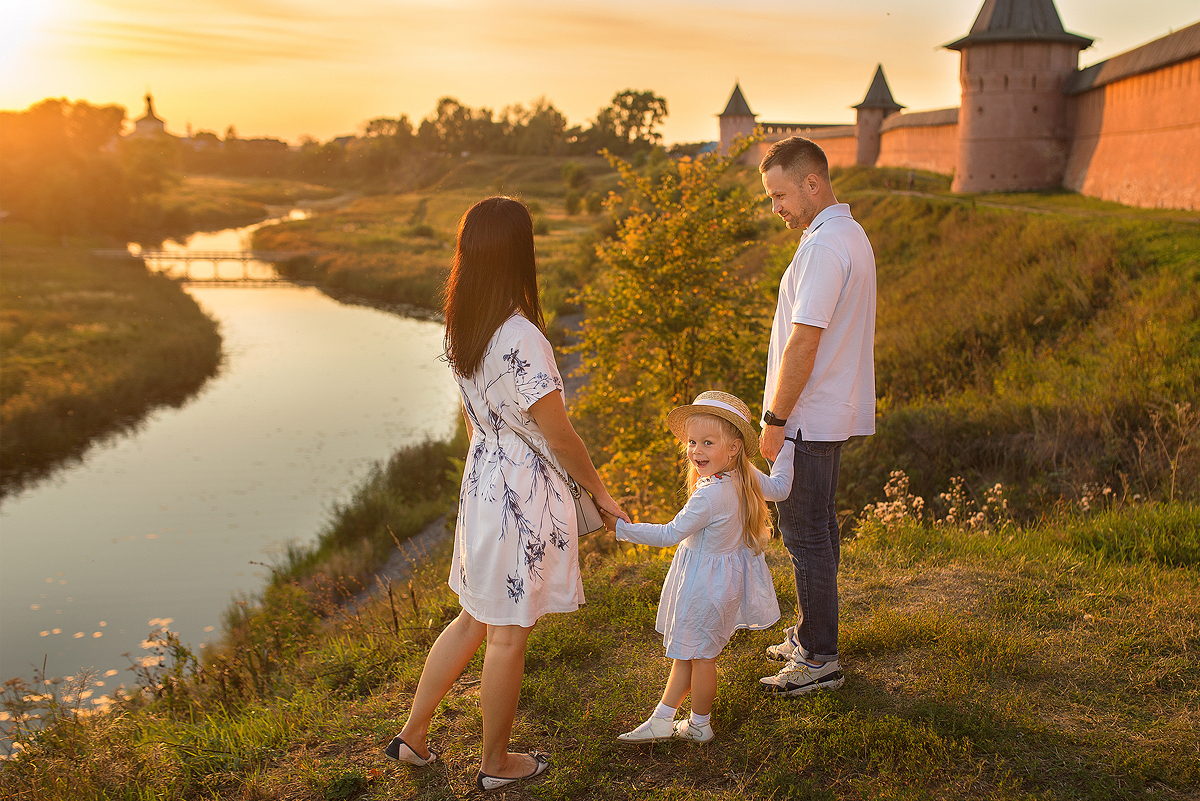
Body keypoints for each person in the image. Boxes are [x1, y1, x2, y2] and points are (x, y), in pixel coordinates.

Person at [383, 197, 628, 792]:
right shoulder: (519, 335)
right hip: (519, 492)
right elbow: (560, 436)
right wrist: (601, 494)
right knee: (507, 633)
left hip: (483, 480)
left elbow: (477, 416)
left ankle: (413, 737)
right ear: (519, 252)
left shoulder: (464, 322)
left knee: (473, 617)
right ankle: (496, 765)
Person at [757, 137, 877, 695]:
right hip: (823, 410)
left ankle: (820, 658)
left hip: (806, 415)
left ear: (811, 183)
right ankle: (812, 637)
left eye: (779, 194)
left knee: (803, 532)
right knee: (818, 529)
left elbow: (804, 342)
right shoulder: (840, 235)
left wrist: (774, 418)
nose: (775, 207)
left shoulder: (828, 246)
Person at [611, 391, 793, 744]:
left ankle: (699, 725)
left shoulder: (709, 495)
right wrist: (788, 450)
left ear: (734, 447)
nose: (696, 451)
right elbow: (781, 488)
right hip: (718, 584)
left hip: (702, 587)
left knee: (702, 658)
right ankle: (663, 719)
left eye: (708, 442)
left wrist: (622, 528)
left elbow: (669, 534)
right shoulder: (744, 477)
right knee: (689, 652)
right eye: (692, 442)